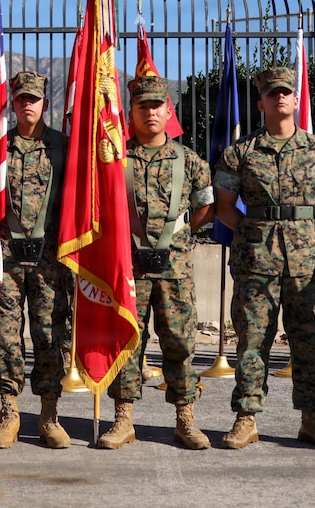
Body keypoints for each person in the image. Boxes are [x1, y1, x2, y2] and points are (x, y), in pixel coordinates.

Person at [213, 67, 315, 450]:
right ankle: (246, 418)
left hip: (305, 260)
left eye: (286, 92)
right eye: (272, 92)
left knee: (309, 341)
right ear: (261, 102)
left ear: (296, 100)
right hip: (255, 260)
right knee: (252, 339)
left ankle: (311, 419)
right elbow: (223, 207)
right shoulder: (240, 153)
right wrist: (253, 232)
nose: (280, 97)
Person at [98, 76, 214, 450]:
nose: (150, 112)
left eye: (156, 106)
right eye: (142, 106)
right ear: (130, 112)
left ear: (169, 111)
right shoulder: (115, 160)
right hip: (129, 270)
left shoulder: (191, 161)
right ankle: (123, 419)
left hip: (174, 272)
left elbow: (205, 207)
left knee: (180, 344)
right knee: (127, 342)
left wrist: (177, 239)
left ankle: (185, 419)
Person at [0, 71, 73, 449]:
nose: (26, 104)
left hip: (50, 261)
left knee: (50, 336)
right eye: (20, 98)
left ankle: (49, 414)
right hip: (5, 260)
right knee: (6, 338)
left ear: (45, 104)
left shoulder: (64, 148)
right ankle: (9, 411)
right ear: (12, 103)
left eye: (33, 99)